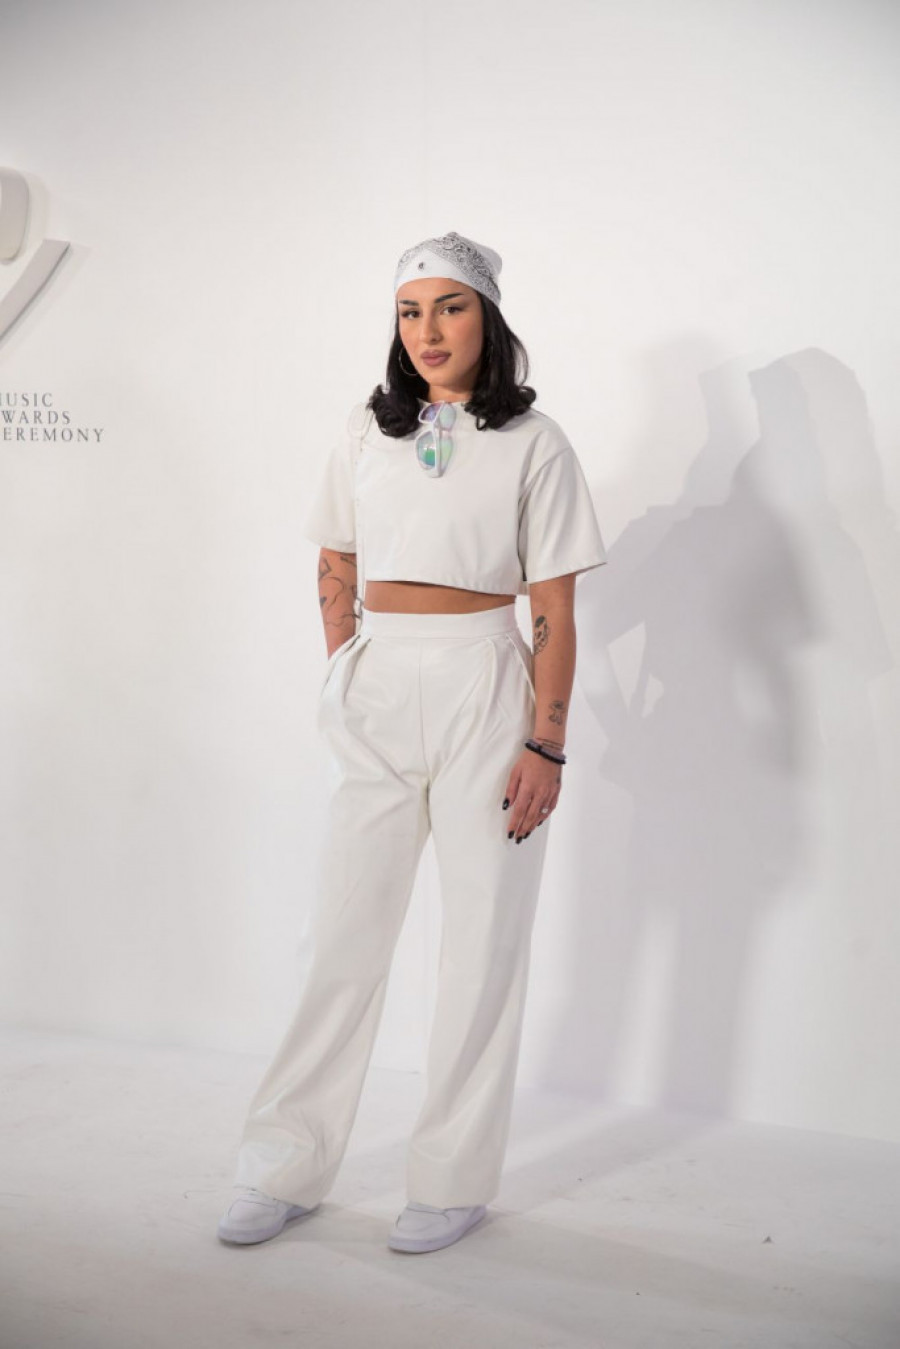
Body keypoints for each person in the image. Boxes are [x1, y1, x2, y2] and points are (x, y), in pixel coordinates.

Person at [217, 231, 608, 1254]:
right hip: (380, 681)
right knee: (341, 934)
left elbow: (554, 607)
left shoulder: (536, 441)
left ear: (489, 318)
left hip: (486, 681)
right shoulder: (367, 428)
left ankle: (451, 1179)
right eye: (410, 310)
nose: (428, 330)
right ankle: (283, 1163)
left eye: (450, 306)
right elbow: (336, 554)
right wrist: (343, 669)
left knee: (481, 941)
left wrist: (547, 743)